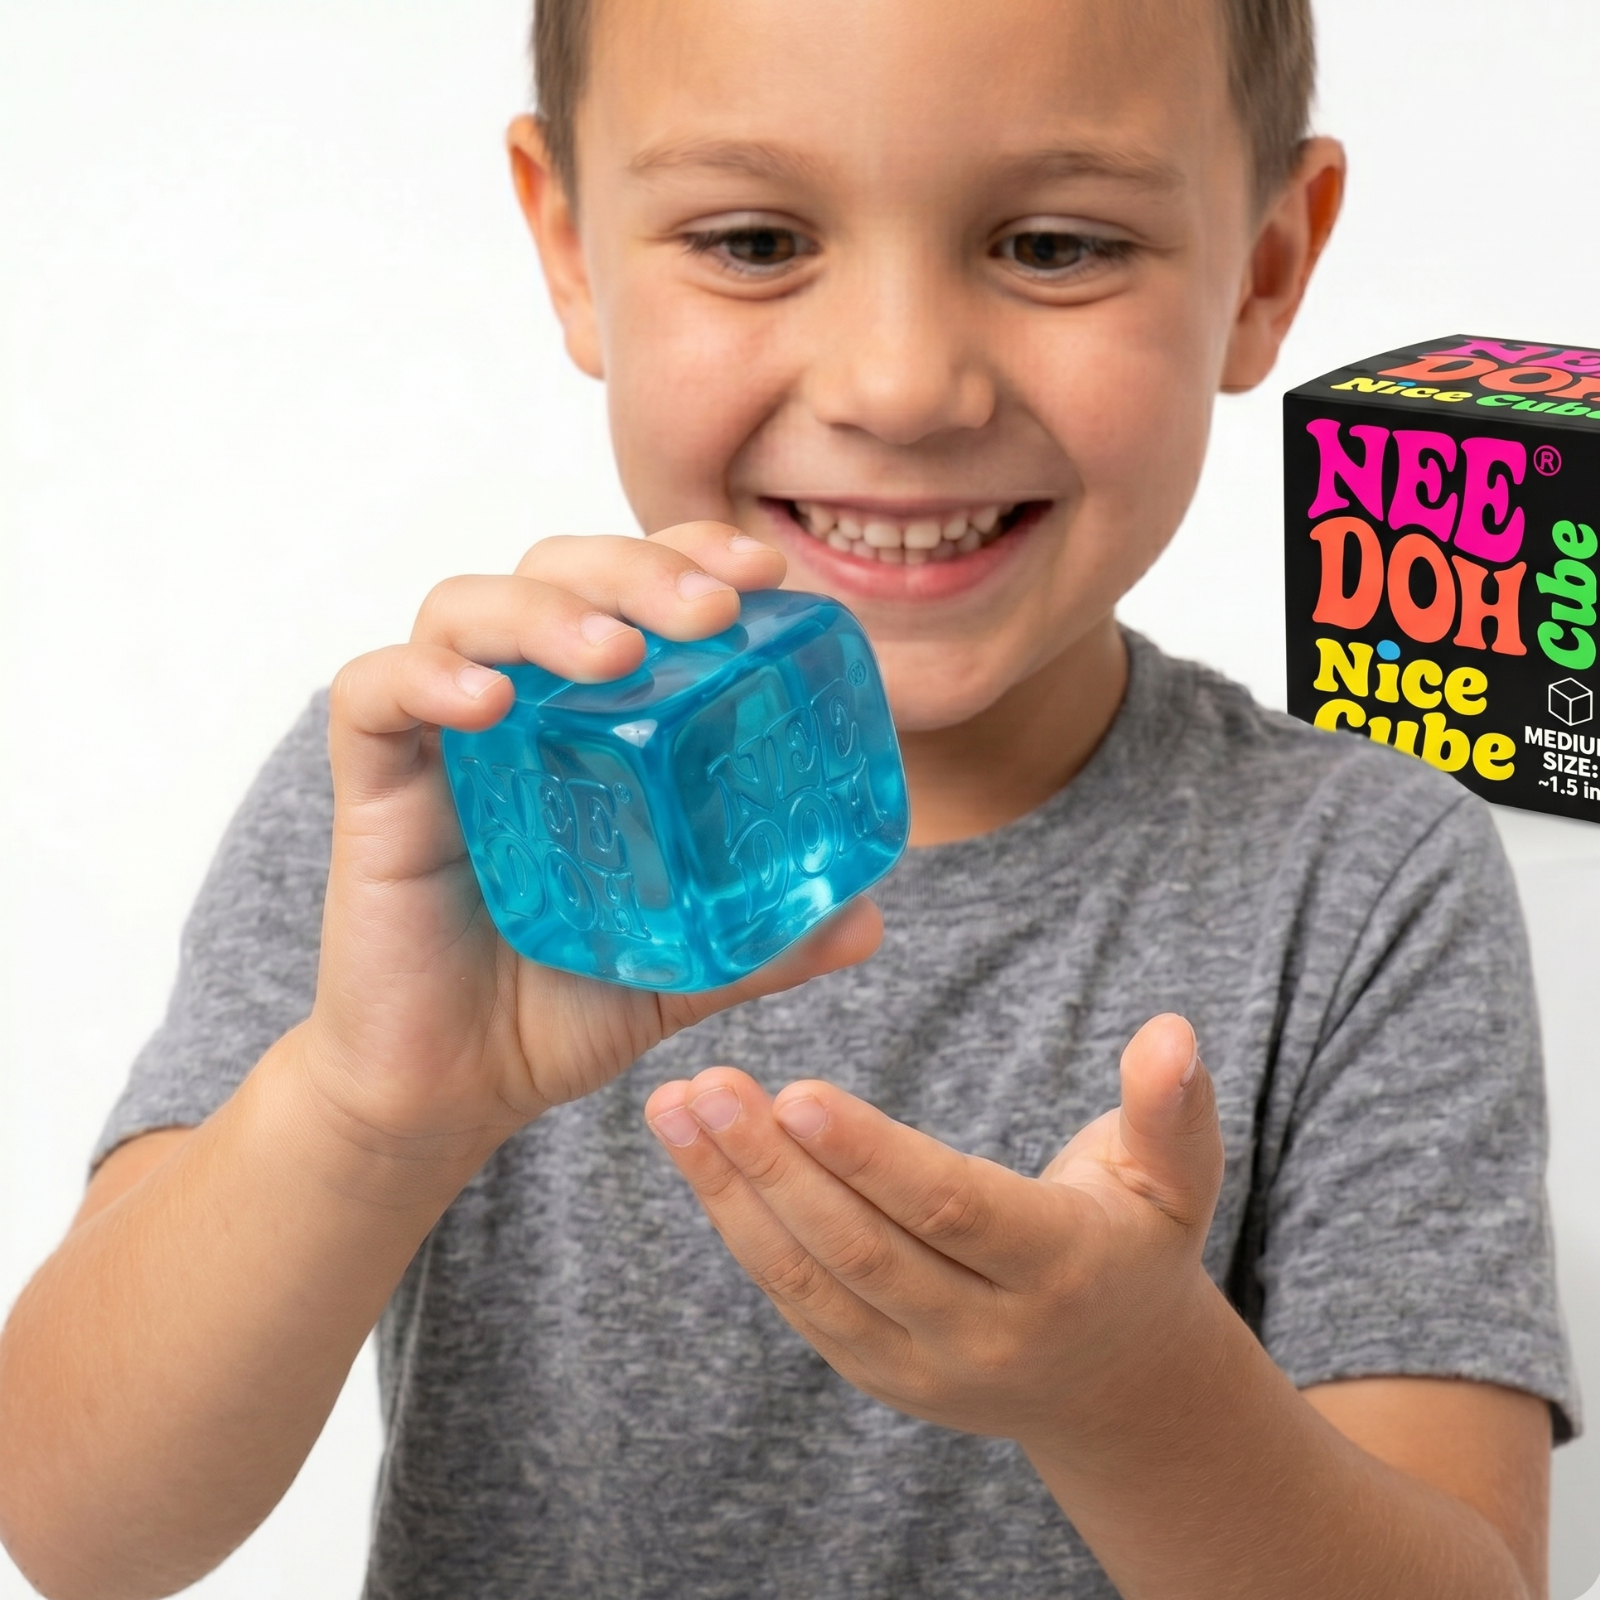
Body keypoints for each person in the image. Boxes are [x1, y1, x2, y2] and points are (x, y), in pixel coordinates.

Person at [0, 0, 1578, 1595]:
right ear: (568, 245)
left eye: (1052, 246)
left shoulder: (1370, 873)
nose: (899, 385)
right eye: (754, 239)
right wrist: (361, 1111)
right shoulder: (422, 809)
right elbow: (74, 1526)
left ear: (1262, 270)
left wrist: (1131, 1389)